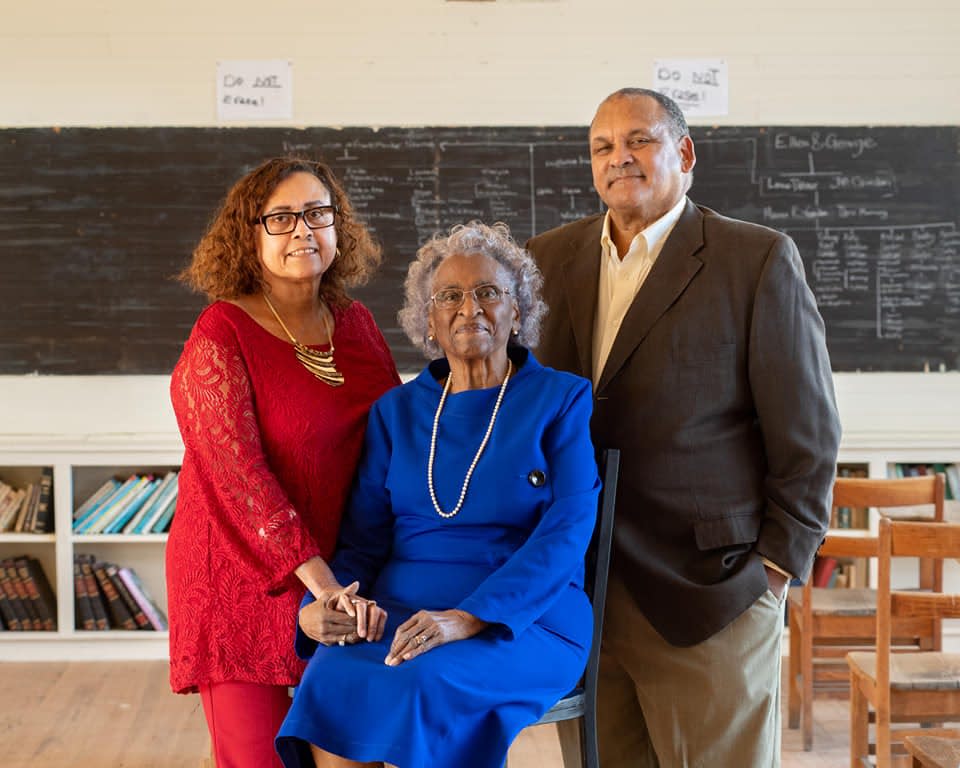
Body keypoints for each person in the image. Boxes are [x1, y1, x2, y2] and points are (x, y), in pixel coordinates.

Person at [526, 88, 842, 767]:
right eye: (602, 147)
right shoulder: (546, 260)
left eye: (639, 139)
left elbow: (808, 434)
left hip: (710, 592)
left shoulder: (754, 260)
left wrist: (775, 569)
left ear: (684, 152)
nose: (620, 158)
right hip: (579, 594)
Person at [274, 221, 600, 768]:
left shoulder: (560, 400)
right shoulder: (396, 412)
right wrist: (322, 605)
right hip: (400, 615)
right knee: (332, 675)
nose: (468, 308)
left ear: (517, 312)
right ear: (429, 319)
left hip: (524, 620)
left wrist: (469, 616)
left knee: (422, 681)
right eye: (449, 296)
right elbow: (362, 540)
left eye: (488, 293)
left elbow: (568, 528)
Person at [167, 156, 400, 768]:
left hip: (345, 575)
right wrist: (322, 588)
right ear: (250, 233)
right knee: (259, 758)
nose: (303, 230)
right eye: (282, 217)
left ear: (338, 228)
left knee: (353, 751)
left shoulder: (356, 323)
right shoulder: (222, 332)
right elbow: (238, 479)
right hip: (242, 580)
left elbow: (393, 436)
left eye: (318, 213)